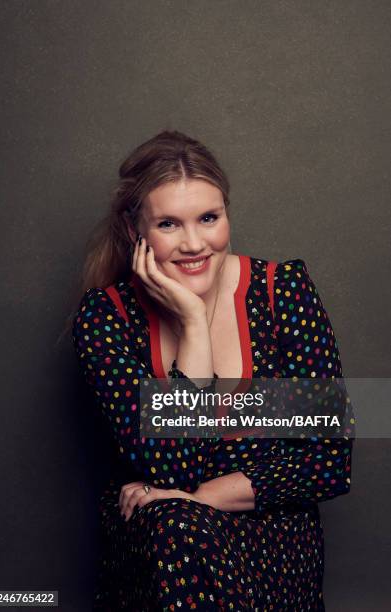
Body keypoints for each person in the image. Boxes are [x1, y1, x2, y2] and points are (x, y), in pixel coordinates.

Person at [72, 130, 353, 611]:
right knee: (176, 527)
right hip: (162, 547)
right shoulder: (107, 317)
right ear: (135, 228)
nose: (194, 243)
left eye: (208, 218)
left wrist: (200, 497)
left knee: (179, 516)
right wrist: (193, 326)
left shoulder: (281, 292)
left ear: (226, 212)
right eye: (168, 224)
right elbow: (168, 467)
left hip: (272, 544)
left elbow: (329, 463)